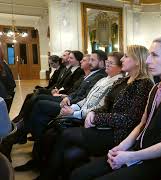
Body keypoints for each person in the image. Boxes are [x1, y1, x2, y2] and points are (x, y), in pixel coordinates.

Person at [70, 32, 161, 180]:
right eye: (149, 55)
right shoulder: (156, 88)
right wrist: (122, 147)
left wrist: (130, 156)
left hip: (158, 162)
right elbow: (142, 124)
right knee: (78, 175)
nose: (148, 60)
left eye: (154, 55)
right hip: (137, 150)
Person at [36, 45, 154, 180]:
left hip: (118, 134)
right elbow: (106, 104)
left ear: (137, 61)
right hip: (106, 126)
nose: (122, 59)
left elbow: (129, 119)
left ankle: (46, 176)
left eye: (126, 56)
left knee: (66, 134)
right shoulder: (124, 80)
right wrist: (93, 113)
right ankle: (49, 173)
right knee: (61, 134)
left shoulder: (144, 84)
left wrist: (96, 117)